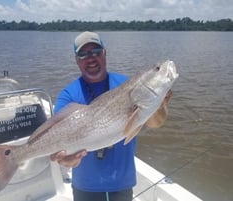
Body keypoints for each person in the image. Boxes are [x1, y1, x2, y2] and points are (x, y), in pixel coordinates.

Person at [50, 31, 172, 201]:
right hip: (85, 187)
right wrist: (68, 161)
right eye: (83, 54)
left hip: (122, 185)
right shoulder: (67, 95)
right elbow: (65, 157)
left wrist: (158, 104)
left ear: (105, 53)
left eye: (96, 51)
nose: (90, 58)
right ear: (77, 60)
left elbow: (155, 123)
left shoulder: (127, 85)